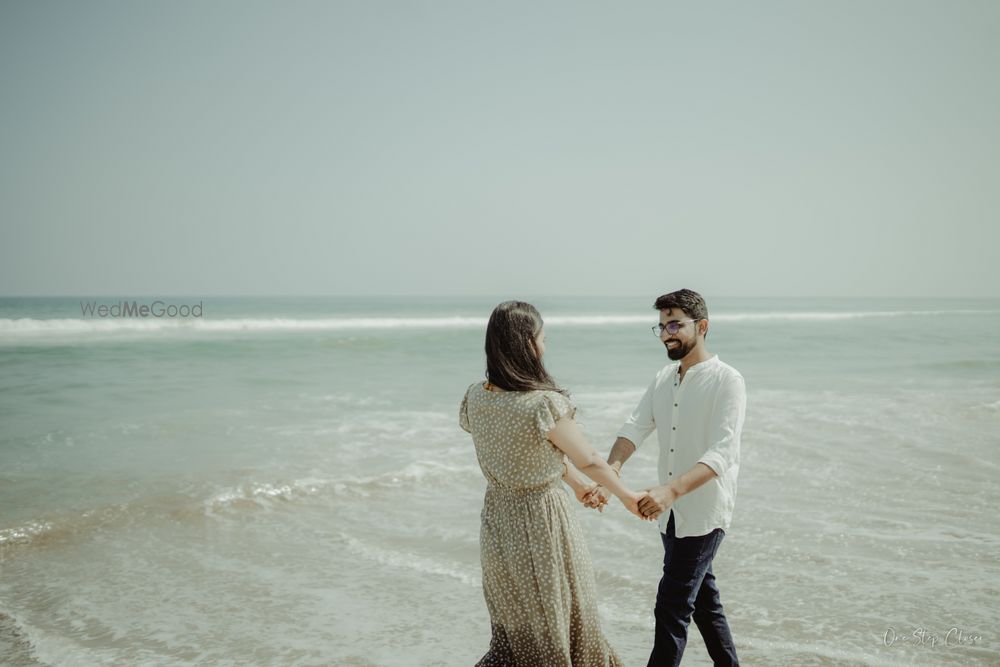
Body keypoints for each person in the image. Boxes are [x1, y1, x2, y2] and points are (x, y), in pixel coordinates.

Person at [460, 300, 650, 667]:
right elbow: (589, 458)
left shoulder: (475, 397)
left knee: (517, 633)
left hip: (497, 524)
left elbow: (530, 454)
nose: (544, 346)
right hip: (543, 524)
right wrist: (628, 496)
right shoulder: (543, 404)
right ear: (528, 344)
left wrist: (579, 487)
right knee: (566, 622)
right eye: (542, 338)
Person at [586, 289, 745, 666]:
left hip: (704, 513)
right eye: (660, 326)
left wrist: (670, 491)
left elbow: (723, 452)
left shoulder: (727, 380)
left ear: (702, 326)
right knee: (705, 605)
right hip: (670, 516)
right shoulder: (663, 378)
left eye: (675, 324)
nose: (666, 334)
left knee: (671, 608)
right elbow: (635, 427)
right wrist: (611, 473)